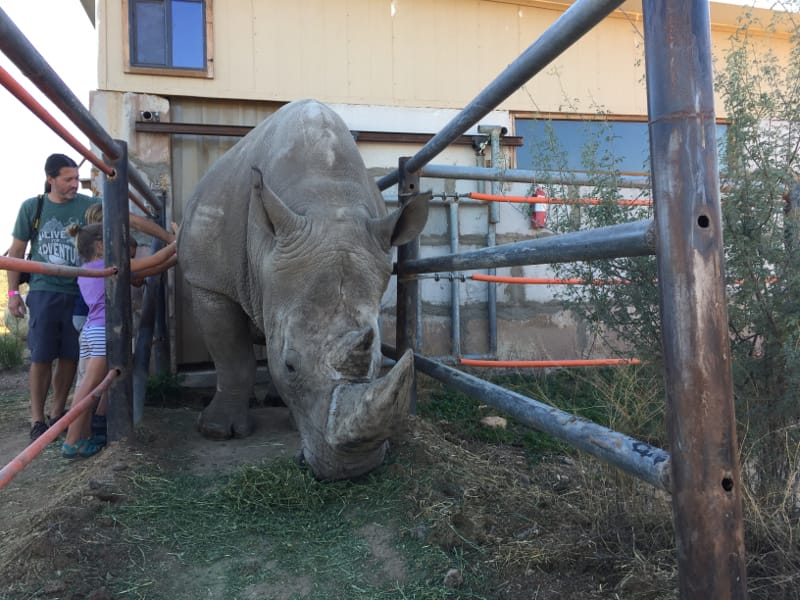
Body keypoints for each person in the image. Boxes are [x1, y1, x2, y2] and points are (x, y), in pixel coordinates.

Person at [6, 153, 177, 441]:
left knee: (71, 358)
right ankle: (38, 420)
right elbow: (16, 252)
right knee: (42, 356)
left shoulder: (88, 205)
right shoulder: (32, 207)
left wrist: (169, 238)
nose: (75, 184)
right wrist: (13, 294)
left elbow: (132, 220)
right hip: (45, 289)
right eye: (68, 179)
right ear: (50, 179)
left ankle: (58, 415)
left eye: (76, 178)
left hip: (77, 292)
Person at [61, 222, 178, 458]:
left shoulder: (88, 269)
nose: (121, 249)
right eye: (115, 242)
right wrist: (178, 240)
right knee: (89, 389)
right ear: (101, 246)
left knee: (88, 387)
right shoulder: (110, 265)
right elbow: (155, 260)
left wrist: (176, 257)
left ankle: (82, 437)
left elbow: (152, 269)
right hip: (101, 331)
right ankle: (71, 442)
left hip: (90, 331)